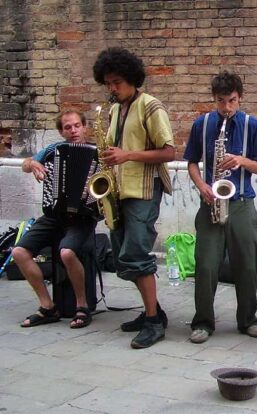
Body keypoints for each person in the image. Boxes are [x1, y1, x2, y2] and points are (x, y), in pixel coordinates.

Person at [93, 47, 175, 349]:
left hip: (143, 190)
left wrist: (128, 155)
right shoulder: (114, 110)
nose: (112, 88)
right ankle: (152, 311)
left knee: (136, 255)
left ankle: (154, 322)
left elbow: (169, 151)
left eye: (117, 82)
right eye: (107, 83)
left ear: (131, 78)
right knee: (122, 259)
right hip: (119, 191)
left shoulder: (150, 106)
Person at [184, 71, 257, 344]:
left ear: (240, 98)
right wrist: (202, 186)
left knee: (247, 266)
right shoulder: (202, 123)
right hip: (210, 202)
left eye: (232, 101)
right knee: (206, 266)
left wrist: (241, 160)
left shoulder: (252, 125)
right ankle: (203, 323)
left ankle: (248, 320)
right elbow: (192, 163)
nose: (227, 108)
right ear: (214, 99)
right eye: (221, 102)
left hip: (242, 202)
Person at [14, 110, 97, 329]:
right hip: (53, 214)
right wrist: (32, 164)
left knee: (67, 252)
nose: (73, 131)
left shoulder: (98, 153)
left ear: (84, 127)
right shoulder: (52, 151)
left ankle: (82, 306)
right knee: (19, 252)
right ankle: (48, 307)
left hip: (83, 217)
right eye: (68, 127)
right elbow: (26, 164)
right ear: (61, 131)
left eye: (77, 126)